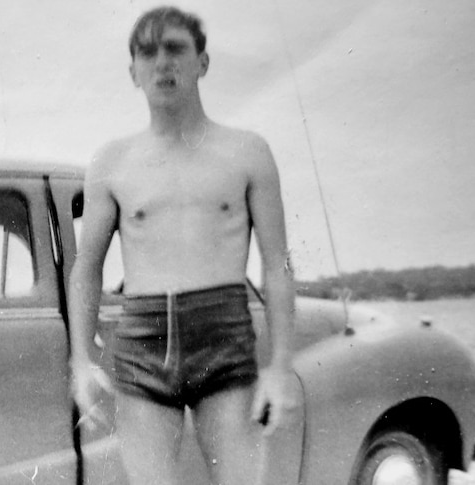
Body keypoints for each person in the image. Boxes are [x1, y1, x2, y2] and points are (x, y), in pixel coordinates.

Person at [68, 6, 298, 485]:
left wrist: (278, 368)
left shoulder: (247, 152)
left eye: (175, 48)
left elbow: (277, 265)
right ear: (133, 72)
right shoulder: (112, 162)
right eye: (147, 53)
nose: (162, 63)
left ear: (203, 63)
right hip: (143, 343)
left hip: (224, 338)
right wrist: (80, 362)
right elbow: (86, 269)